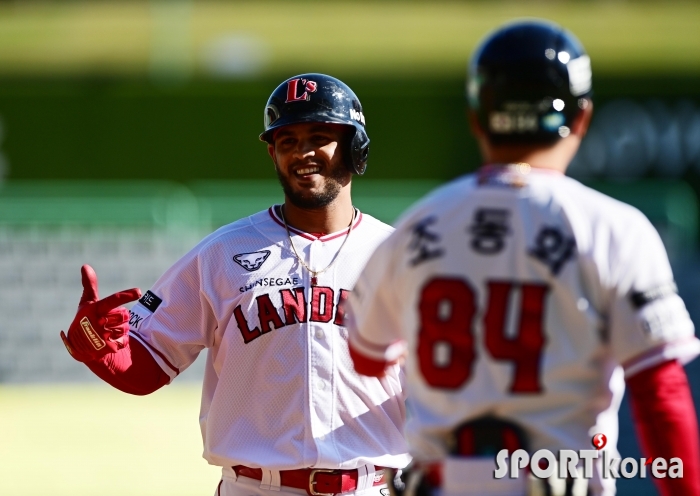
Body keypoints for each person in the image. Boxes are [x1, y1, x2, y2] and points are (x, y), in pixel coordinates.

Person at [346, 20, 700, 496]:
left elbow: (367, 358)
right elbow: (660, 393)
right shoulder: (615, 228)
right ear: (582, 118)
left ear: (477, 118)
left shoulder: (416, 225)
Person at [60, 73, 410, 496]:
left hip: (373, 487)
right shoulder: (223, 252)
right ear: (272, 152)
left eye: (319, 136)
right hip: (255, 488)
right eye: (287, 141)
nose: (302, 152)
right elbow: (147, 363)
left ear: (356, 145)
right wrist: (101, 350)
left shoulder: (403, 256)